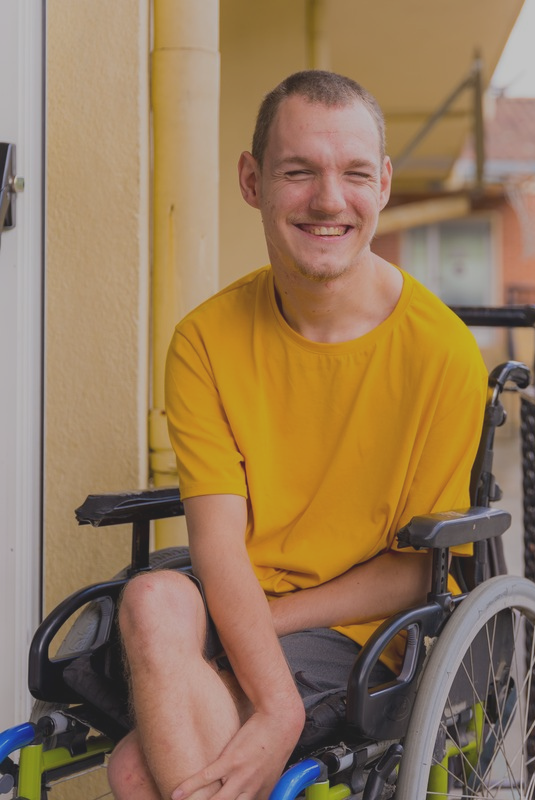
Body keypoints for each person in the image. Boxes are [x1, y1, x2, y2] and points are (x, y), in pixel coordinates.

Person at [105, 70, 487, 800]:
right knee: (151, 599)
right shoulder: (206, 340)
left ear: (383, 185)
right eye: (298, 172)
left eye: (352, 174)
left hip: (356, 635)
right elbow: (218, 547)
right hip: (233, 598)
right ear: (252, 181)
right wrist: (274, 704)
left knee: (132, 770)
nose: (328, 200)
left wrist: (270, 628)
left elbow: (417, 571)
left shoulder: (441, 353)